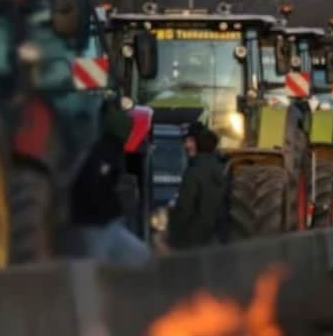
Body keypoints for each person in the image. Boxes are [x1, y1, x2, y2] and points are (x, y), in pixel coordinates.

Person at [69, 100, 151, 266]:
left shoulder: (109, 151)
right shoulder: (105, 153)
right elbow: (93, 188)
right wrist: (115, 207)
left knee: (141, 257)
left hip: (107, 224)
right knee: (96, 272)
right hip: (97, 226)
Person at [168, 125, 227, 250]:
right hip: (218, 242)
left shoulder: (194, 172)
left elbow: (184, 209)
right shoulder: (222, 169)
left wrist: (172, 238)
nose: (185, 146)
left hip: (194, 244)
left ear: (198, 143)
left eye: (189, 141)